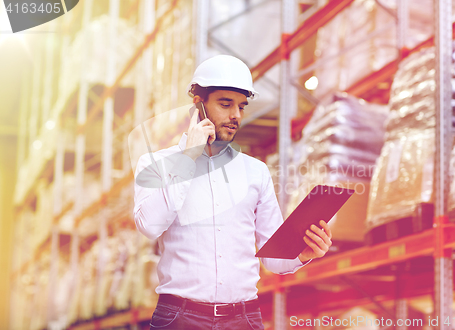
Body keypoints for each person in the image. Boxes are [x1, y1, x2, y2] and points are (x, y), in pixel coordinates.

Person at [133, 55, 333, 330]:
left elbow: (273, 259)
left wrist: (304, 253)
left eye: (241, 106)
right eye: (225, 104)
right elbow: (149, 225)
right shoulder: (155, 163)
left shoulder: (256, 172)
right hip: (179, 318)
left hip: (244, 318)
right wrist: (188, 157)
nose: (235, 115)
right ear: (198, 105)